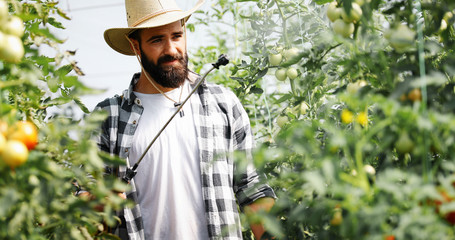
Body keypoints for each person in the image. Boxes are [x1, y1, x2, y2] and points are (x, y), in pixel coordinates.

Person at [95, 0, 276, 239]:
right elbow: (83, 192)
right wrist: (96, 200)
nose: (171, 49)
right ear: (135, 46)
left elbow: (250, 186)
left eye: (177, 35)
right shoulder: (109, 116)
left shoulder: (223, 103)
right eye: (157, 39)